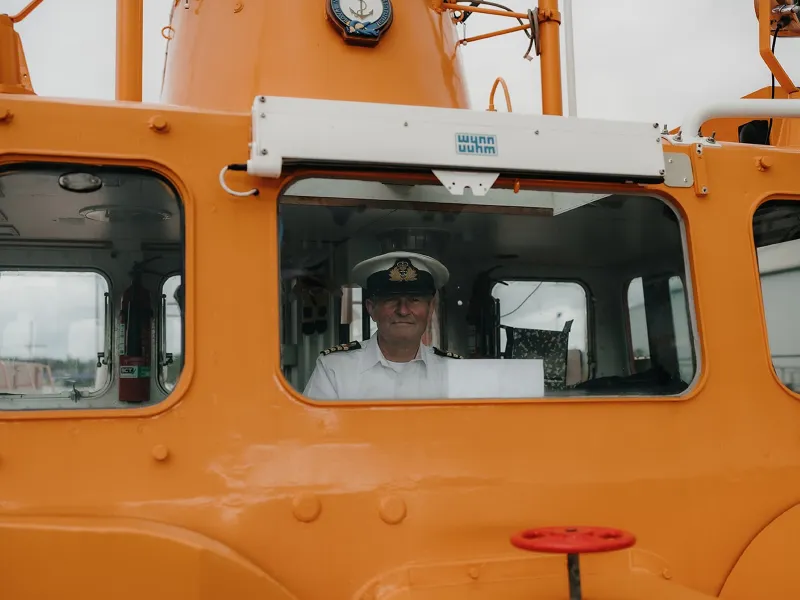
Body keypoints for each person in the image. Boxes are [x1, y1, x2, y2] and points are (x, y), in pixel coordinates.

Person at [303, 251, 462, 400]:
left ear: (431, 308)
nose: (403, 310)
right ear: (371, 308)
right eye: (391, 300)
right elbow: (314, 428)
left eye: (414, 299)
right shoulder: (335, 370)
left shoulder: (455, 371)